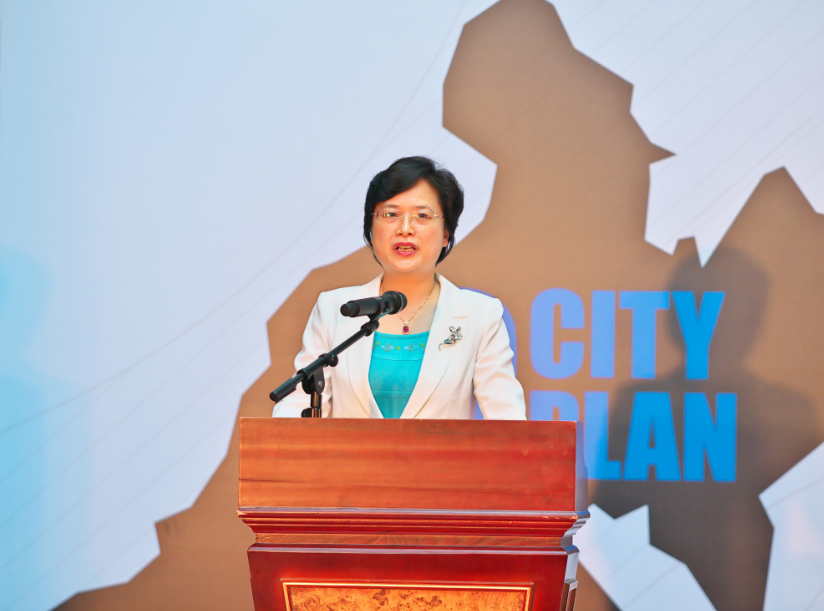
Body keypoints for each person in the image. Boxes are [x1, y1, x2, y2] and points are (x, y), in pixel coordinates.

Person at [272, 156, 525, 419]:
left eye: (422, 216)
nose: (405, 229)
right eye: (391, 215)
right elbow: (295, 410)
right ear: (371, 230)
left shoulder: (480, 315)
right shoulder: (334, 309)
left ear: (445, 234)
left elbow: (508, 420)